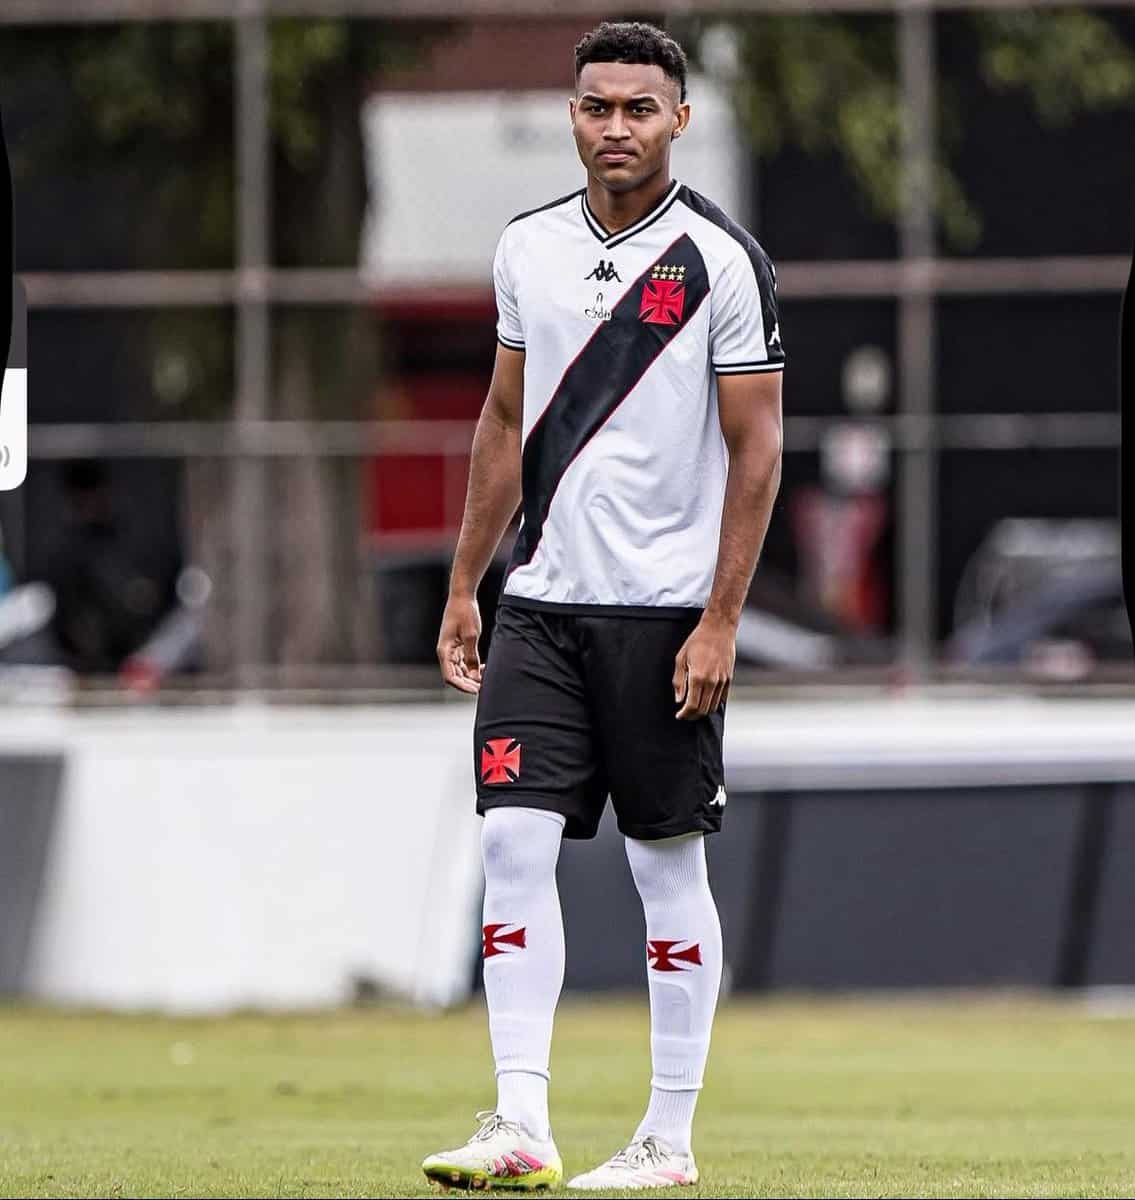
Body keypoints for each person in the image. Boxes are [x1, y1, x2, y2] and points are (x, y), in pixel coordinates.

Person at [425, 21, 784, 1192]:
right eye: (596, 106)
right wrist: (466, 584)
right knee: (511, 844)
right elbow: (498, 421)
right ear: (571, 114)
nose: (615, 127)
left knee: (664, 868)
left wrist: (721, 618)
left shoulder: (720, 262)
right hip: (540, 609)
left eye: (639, 108)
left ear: (680, 119)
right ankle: (520, 1120)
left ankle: (667, 1140)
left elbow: (757, 449)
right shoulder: (526, 247)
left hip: (665, 617)